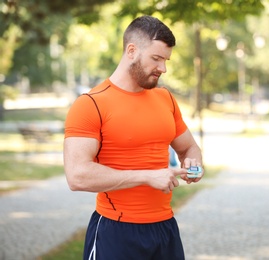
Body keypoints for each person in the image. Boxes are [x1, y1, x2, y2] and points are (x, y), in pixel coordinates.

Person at [63, 15, 203, 260]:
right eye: (156, 58)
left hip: (166, 228)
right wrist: (147, 177)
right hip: (117, 231)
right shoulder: (91, 104)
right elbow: (77, 176)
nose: (163, 68)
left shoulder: (165, 99)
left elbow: (189, 147)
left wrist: (194, 164)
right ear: (131, 50)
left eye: (166, 60)